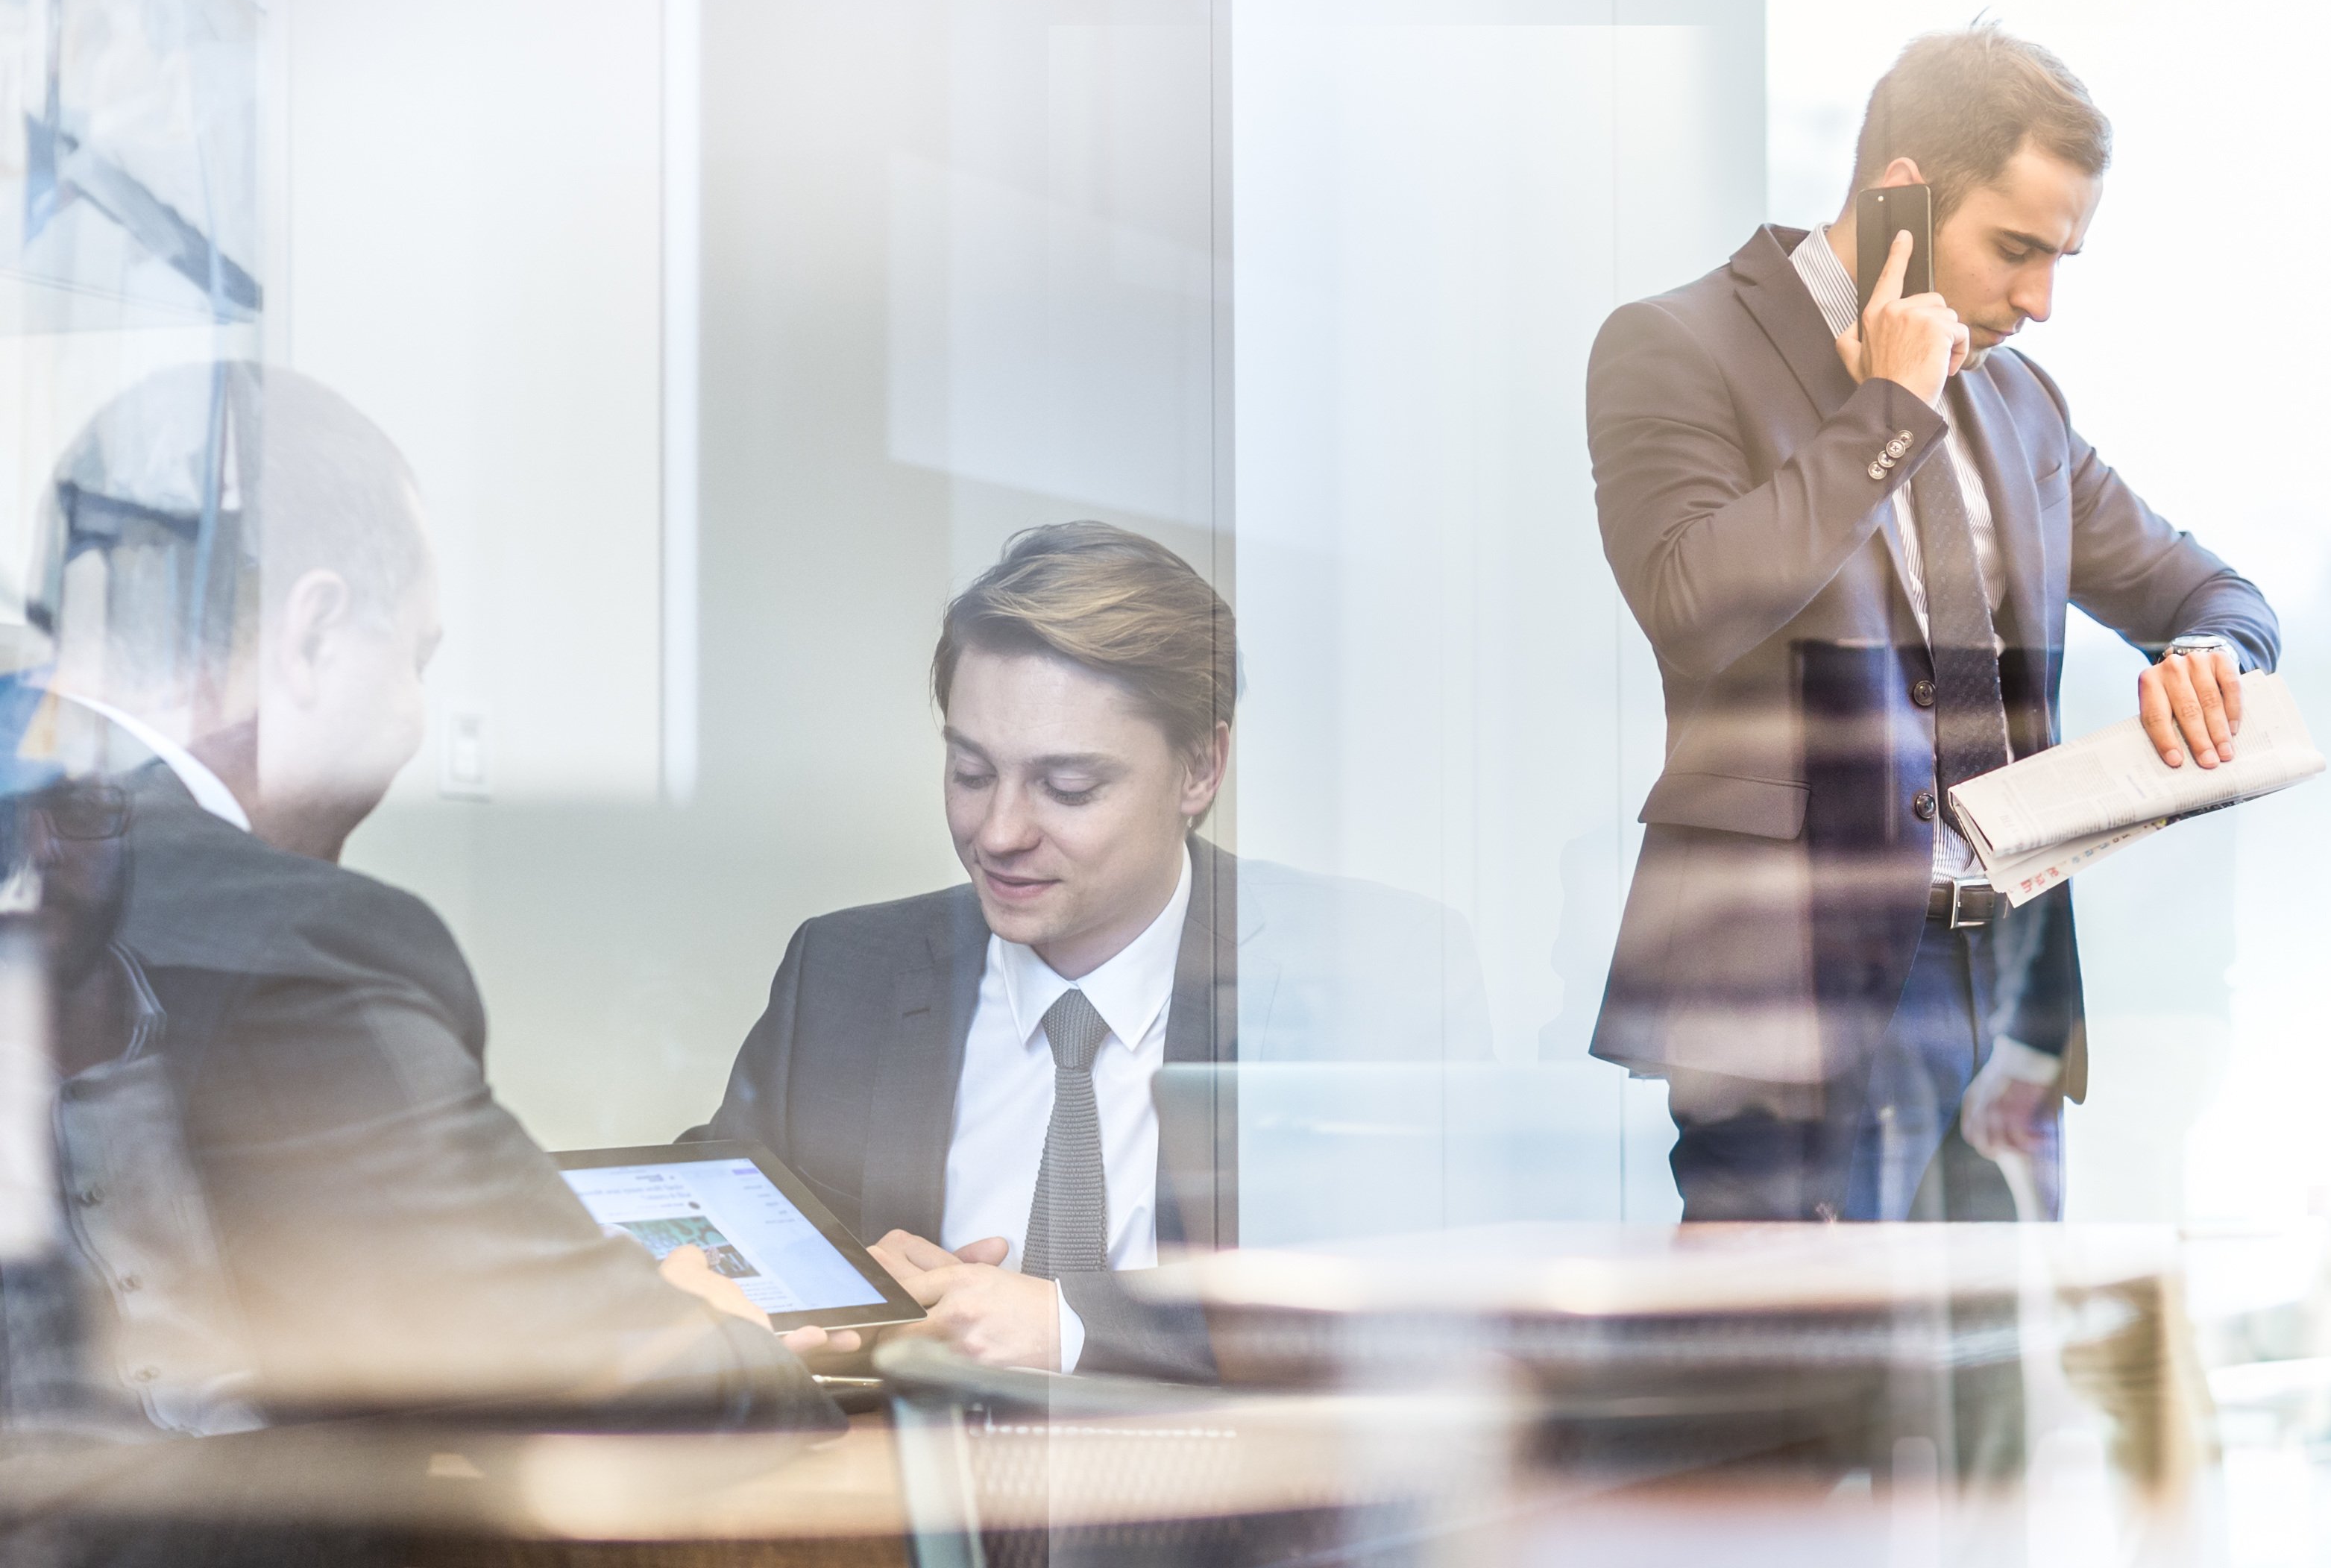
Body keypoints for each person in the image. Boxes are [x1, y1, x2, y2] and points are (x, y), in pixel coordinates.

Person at [17, 365, 835, 1427]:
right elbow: (597, 1377)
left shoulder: (55, 873)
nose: (412, 718)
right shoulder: (301, 942)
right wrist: (720, 1341)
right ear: (312, 637)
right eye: (414, 658)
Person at [1584, 25, 2280, 1224]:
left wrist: (2211, 655)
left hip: (2003, 988)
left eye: (2062, 258)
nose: (2040, 300)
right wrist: (1891, 408)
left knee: (1987, 1391)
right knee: (1804, 1391)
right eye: (2015, 249)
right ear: (1898, 197)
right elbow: (1692, 603)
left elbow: (2210, 593)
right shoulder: (1677, 345)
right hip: (1791, 993)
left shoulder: (2019, 403)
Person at [693, 522, 1488, 1377]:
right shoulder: (846, 973)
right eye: (969, 773)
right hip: (906, 1493)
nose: (998, 832)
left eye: (1067, 788)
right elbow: (700, 1239)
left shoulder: (1372, 974)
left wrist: (1071, 1325)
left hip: (1241, 1498)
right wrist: (813, 1295)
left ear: (1201, 769)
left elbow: (1425, 1299)